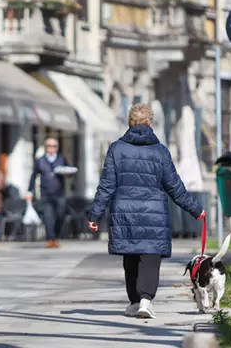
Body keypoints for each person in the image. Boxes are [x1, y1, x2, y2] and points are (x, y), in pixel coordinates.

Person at [87, 104, 205, 318]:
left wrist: (95, 215)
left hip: (125, 214)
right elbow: (174, 187)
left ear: (130, 123)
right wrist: (196, 210)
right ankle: (145, 300)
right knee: (150, 256)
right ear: (150, 123)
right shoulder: (160, 151)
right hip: (154, 214)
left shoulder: (116, 149)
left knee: (130, 257)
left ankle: (134, 300)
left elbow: (106, 186)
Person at [27, 138, 72, 249]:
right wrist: (30, 191)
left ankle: (56, 236)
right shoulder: (40, 160)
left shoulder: (61, 159)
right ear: (46, 147)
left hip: (59, 193)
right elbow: (33, 176)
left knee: (60, 215)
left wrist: (66, 173)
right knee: (48, 217)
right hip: (46, 193)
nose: (51, 148)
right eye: (49, 146)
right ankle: (51, 239)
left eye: (53, 146)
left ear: (56, 148)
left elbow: (70, 172)